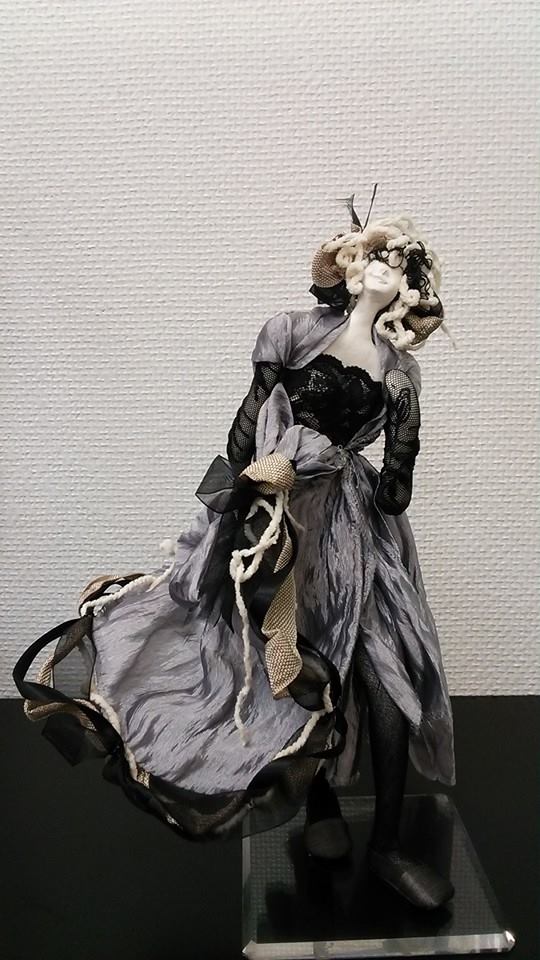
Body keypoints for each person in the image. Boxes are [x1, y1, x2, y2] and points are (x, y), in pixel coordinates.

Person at [14, 194, 455, 910]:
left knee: (387, 676)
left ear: (410, 289)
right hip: (282, 516)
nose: (385, 266)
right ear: (350, 261)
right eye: (377, 252)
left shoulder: (400, 370)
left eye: (400, 263)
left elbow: (395, 488)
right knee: (297, 662)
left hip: (354, 528)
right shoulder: (291, 330)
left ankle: (388, 847)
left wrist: (401, 435)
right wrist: (233, 509)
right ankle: (319, 809)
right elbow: (244, 430)